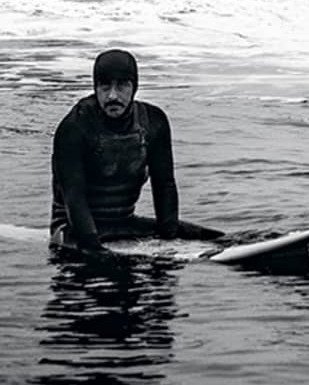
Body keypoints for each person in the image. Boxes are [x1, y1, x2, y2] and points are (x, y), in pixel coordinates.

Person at [49, 48, 221, 256]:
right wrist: (94, 248)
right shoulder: (75, 128)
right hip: (73, 229)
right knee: (100, 263)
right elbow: (73, 197)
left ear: (134, 87)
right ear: (95, 87)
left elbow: (164, 184)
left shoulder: (153, 122)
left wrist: (170, 241)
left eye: (122, 85)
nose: (112, 95)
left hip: (123, 224)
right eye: (105, 86)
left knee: (218, 239)